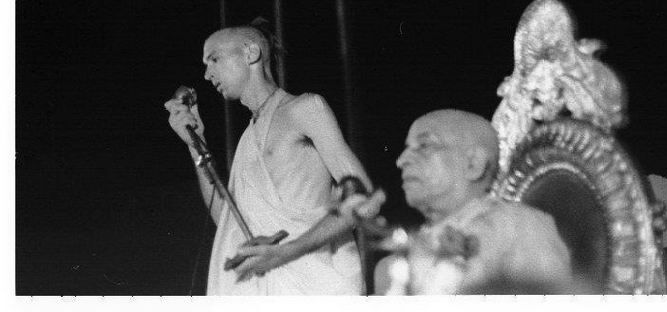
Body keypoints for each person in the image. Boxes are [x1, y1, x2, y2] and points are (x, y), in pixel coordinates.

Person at [164, 21, 371, 295]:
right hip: (266, 288)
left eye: (214, 59)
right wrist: (195, 145)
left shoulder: (304, 108)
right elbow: (228, 223)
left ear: (251, 53)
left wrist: (286, 252)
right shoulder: (248, 138)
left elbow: (362, 198)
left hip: (316, 286)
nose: (206, 74)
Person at [377, 109, 572, 294]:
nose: (401, 160)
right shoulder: (409, 249)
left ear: (474, 163)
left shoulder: (518, 226)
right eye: (407, 148)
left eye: (424, 146)